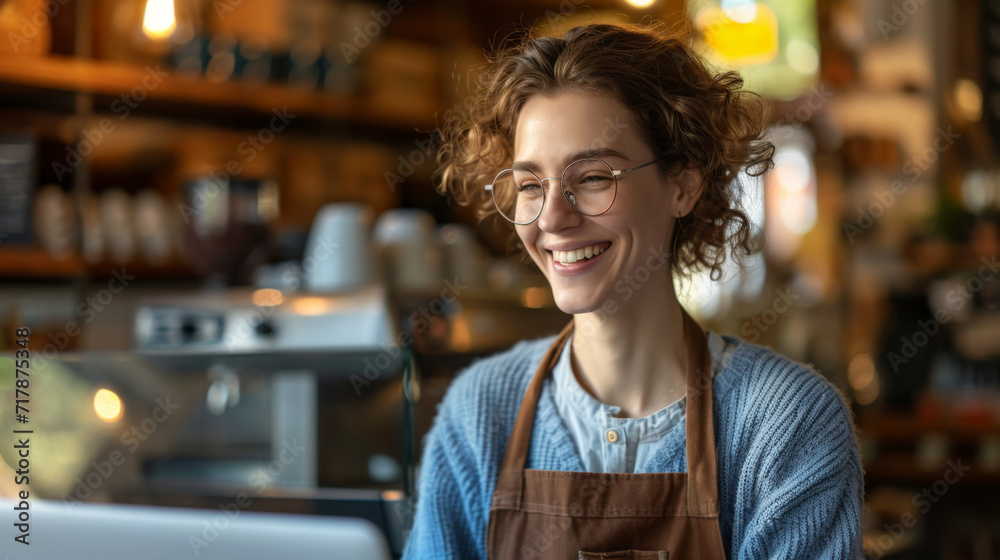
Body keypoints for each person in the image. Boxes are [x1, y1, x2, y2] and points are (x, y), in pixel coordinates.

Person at [403, 22, 864, 560]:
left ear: (683, 185)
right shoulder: (480, 414)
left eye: (594, 177)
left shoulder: (786, 426)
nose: (552, 217)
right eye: (530, 185)